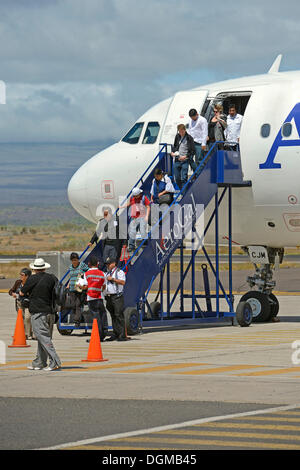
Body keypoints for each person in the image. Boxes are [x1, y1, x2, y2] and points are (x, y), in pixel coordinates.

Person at [19, 258, 61, 371]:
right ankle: (39, 362)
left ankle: (55, 361)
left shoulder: (32, 278)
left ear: (34, 269)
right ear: (44, 267)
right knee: (43, 338)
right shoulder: (52, 278)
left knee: (43, 338)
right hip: (51, 313)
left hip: (38, 312)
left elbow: (22, 292)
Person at [78, 255, 107, 343]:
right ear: (98, 264)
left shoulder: (86, 274)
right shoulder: (103, 274)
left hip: (91, 298)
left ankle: (97, 337)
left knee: (96, 318)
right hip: (100, 297)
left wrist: (80, 286)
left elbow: (85, 286)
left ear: (89, 264)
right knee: (102, 316)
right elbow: (104, 287)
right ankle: (103, 335)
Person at [104, 257, 129, 342]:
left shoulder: (119, 272)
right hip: (109, 297)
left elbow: (123, 282)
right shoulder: (107, 273)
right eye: (107, 264)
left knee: (119, 315)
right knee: (113, 315)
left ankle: (122, 335)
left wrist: (113, 279)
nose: (108, 265)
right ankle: (115, 333)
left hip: (117, 296)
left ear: (114, 263)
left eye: (109, 264)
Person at [120, 187, 150, 253]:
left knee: (143, 232)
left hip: (142, 217)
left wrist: (147, 216)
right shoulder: (132, 198)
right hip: (134, 217)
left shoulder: (144, 198)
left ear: (140, 194)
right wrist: (122, 206)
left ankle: (146, 244)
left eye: (136, 196)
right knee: (132, 232)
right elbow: (129, 204)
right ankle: (131, 246)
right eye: (135, 196)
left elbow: (148, 207)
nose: (135, 197)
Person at [9, 268, 35, 340]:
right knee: (21, 318)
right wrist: (13, 294)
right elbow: (11, 291)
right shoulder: (18, 282)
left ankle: (29, 334)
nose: (20, 276)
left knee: (27, 317)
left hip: (28, 303)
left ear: (27, 276)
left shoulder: (31, 283)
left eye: (22, 275)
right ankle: (23, 334)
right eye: (20, 275)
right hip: (19, 303)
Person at [65, 252, 89, 328]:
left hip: (80, 288)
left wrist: (84, 280)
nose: (75, 261)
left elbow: (88, 272)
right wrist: (68, 285)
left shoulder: (82, 265)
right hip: (72, 288)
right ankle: (79, 318)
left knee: (78, 304)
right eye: (73, 260)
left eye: (76, 260)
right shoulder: (70, 267)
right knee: (73, 305)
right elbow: (71, 277)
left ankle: (77, 321)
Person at [170, 124, 196, 190]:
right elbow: (175, 146)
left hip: (185, 160)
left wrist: (185, 156)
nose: (181, 133)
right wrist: (173, 152)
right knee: (177, 178)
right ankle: (182, 191)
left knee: (184, 178)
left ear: (185, 130)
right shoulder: (177, 136)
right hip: (177, 159)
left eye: (182, 131)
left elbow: (193, 150)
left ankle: (183, 194)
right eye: (179, 131)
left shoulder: (189, 138)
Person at [187, 108, 208, 173]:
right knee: (189, 158)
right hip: (192, 142)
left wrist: (204, 143)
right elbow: (190, 130)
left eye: (194, 117)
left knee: (199, 159)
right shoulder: (190, 120)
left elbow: (205, 132)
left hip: (199, 142)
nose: (193, 119)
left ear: (197, 114)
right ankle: (196, 173)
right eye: (191, 117)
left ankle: (200, 175)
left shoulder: (202, 120)